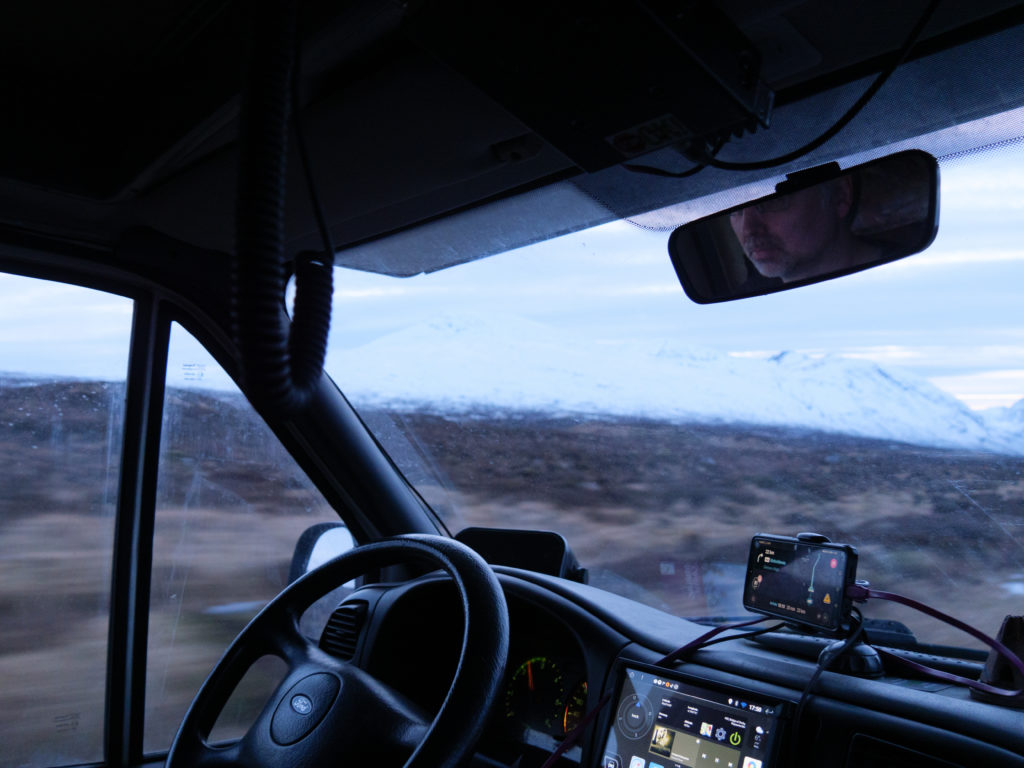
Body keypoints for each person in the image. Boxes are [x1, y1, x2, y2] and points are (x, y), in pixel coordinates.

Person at [728, 175, 882, 283]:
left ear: (840, 196)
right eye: (735, 209)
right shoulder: (747, 307)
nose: (748, 229)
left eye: (772, 200)